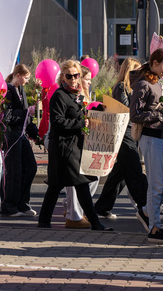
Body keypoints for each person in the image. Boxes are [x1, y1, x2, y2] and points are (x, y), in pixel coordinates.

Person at [37, 59, 111, 231]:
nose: (72, 79)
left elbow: (81, 113)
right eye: (69, 76)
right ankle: (95, 222)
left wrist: (95, 112)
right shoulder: (59, 95)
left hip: (73, 145)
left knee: (57, 185)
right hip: (63, 147)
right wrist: (81, 123)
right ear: (63, 77)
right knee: (80, 184)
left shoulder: (75, 94)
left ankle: (44, 221)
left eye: (75, 75)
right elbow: (58, 121)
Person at [130, 49, 163, 243]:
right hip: (151, 137)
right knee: (156, 185)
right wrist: (162, 114)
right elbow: (135, 115)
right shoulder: (143, 84)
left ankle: (147, 211)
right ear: (154, 63)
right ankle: (155, 228)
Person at [94, 58, 149, 226]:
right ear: (128, 71)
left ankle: (102, 206)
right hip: (124, 133)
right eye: (136, 71)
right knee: (134, 172)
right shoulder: (121, 88)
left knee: (120, 175)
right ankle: (145, 206)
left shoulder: (132, 88)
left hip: (131, 131)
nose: (138, 74)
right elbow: (124, 110)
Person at [0, 63, 38, 218]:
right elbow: (6, 116)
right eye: (26, 77)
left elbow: (25, 116)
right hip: (11, 136)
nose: (27, 81)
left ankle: (22, 202)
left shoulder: (20, 90)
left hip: (20, 135)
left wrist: (35, 133)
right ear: (18, 75)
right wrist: (25, 113)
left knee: (30, 167)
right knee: (13, 171)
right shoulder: (8, 90)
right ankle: (9, 205)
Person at [63, 65, 99, 228]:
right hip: (70, 142)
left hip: (83, 140)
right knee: (73, 181)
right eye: (87, 79)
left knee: (92, 177)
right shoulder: (69, 95)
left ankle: (73, 209)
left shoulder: (84, 95)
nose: (89, 82)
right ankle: (74, 214)